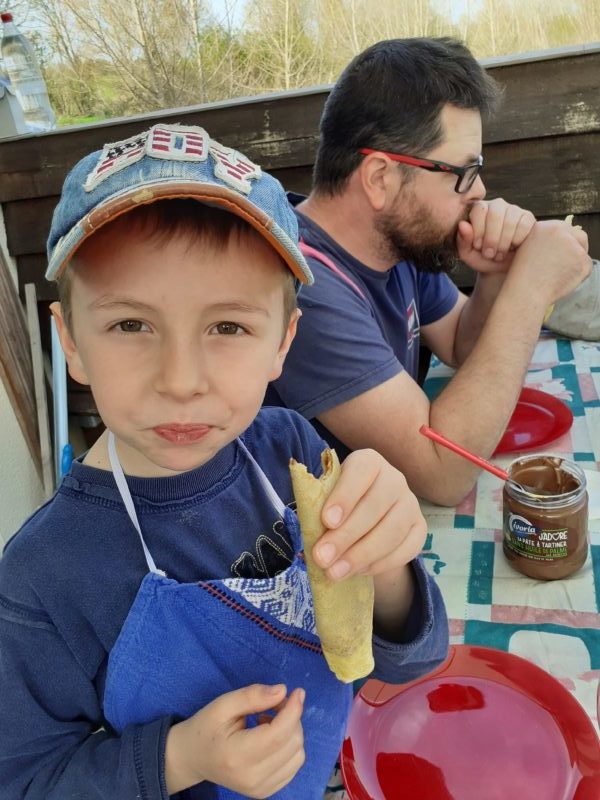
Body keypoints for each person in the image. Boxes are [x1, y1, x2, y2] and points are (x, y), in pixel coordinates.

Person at [0, 124, 448, 799]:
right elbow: (26, 780)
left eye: (228, 326)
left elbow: (410, 662)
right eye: (130, 325)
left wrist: (386, 565)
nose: (181, 380)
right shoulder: (44, 577)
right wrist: (177, 759)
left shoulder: (294, 451)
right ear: (71, 342)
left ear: (282, 343)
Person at [265, 37, 592, 507]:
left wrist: (496, 277)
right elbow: (445, 471)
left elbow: (460, 343)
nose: (478, 190)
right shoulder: (301, 285)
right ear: (380, 178)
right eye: (463, 172)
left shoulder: (396, 242)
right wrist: (531, 287)